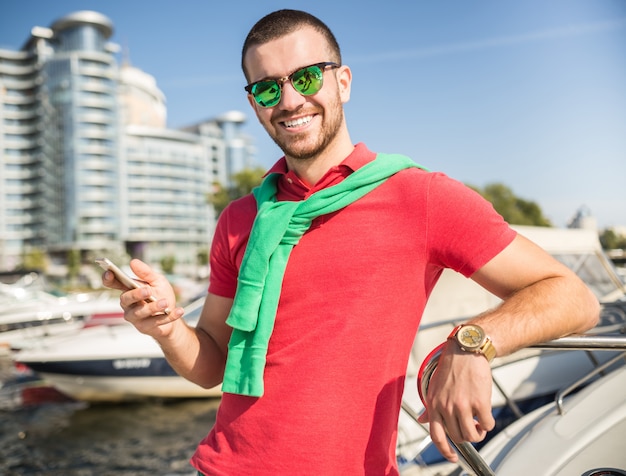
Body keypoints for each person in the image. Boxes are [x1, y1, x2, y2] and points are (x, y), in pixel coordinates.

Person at [103, 9, 600, 475]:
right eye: (268, 88)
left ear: (342, 82)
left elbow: (573, 296)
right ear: (254, 104)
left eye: (305, 77)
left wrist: (471, 344)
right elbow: (211, 364)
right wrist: (166, 326)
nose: (291, 100)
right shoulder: (239, 219)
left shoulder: (420, 196)